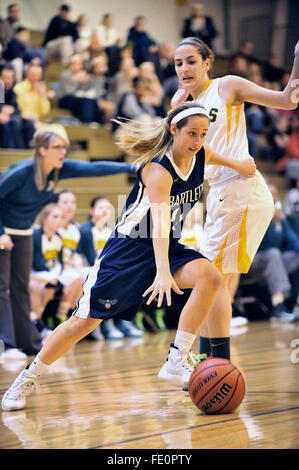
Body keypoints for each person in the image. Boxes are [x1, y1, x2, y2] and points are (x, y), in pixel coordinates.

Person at [1, 101, 257, 411]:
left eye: (203, 134)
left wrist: (240, 165)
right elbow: (160, 223)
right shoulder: (158, 168)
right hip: (128, 250)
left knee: (211, 277)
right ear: (174, 130)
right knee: (81, 324)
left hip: (168, 246)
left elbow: (213, 156)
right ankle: (28, 376)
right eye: (192, 133)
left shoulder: (199, 153)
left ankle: (177, 358)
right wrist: (162, 272)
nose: (198, 141)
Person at [170, 36, 298, 366]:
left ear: (207, 62)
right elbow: (185, 155)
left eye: (191, 61)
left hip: (240, 189)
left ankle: (193, 360)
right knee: (216, 281)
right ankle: (216, 362)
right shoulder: (182, 104)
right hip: (223, 193)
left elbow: (288, 100)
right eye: (178, 63)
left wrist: (296, 57)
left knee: (209, 279)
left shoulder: (227, 86)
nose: (184, 68)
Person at [0, 125, 135, 359]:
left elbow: (94, 168)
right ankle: (7, 344)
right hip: (3, 231)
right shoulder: (22, 172)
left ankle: (27, 343)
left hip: (22, 233)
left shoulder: (59, 170)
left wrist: (134, 166)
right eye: (57, 147)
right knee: (3, 288)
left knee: (20, 289)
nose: (63, 152)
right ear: (42, 150)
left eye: (64, 147)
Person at [78, 196, 143, 339]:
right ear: (91, 211)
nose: (105, 211)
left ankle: (122, 320)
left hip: (105, 268)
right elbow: (90, 258)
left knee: (132, 278)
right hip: (87, 268)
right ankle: (105, 323)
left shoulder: (112, 230)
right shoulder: (86, 230)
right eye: (101, 207)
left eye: (108, 208)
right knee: (110, 279)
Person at [245, 184, 299, 322]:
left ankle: (293, 302)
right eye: (270, 193)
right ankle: (278, 307)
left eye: (275, 194)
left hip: (273, 262)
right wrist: (267, 218)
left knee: (294, 255)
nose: (273, 196)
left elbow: (293, 241)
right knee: (273, 254)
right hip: (250, 262)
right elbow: (262, 245)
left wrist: (278, 219)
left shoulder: (280, 219)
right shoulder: (254, 214)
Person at [29, 203, 82, 340]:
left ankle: (60, 318)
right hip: (35, 273)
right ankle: (39, 323)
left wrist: (61, 279)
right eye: (55, 217)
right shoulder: (36, 234)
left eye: (61, 217)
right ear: (44, 218)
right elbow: (37, 264)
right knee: (51, 285)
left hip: (50, 273)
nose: (59, 220)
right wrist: (59, 282)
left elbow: (59, 263)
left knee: (76, 278)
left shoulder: (58, 236)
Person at [0, 65, 35, 148]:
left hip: (10, 118)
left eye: (10, 78)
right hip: (6, 120)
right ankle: (18, 152)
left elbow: (16, 109)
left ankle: (30, 150)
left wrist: (19, 113)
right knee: (15, 122)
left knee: (29, 122)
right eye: (5, 77)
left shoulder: (12, 92)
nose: (8, 81)